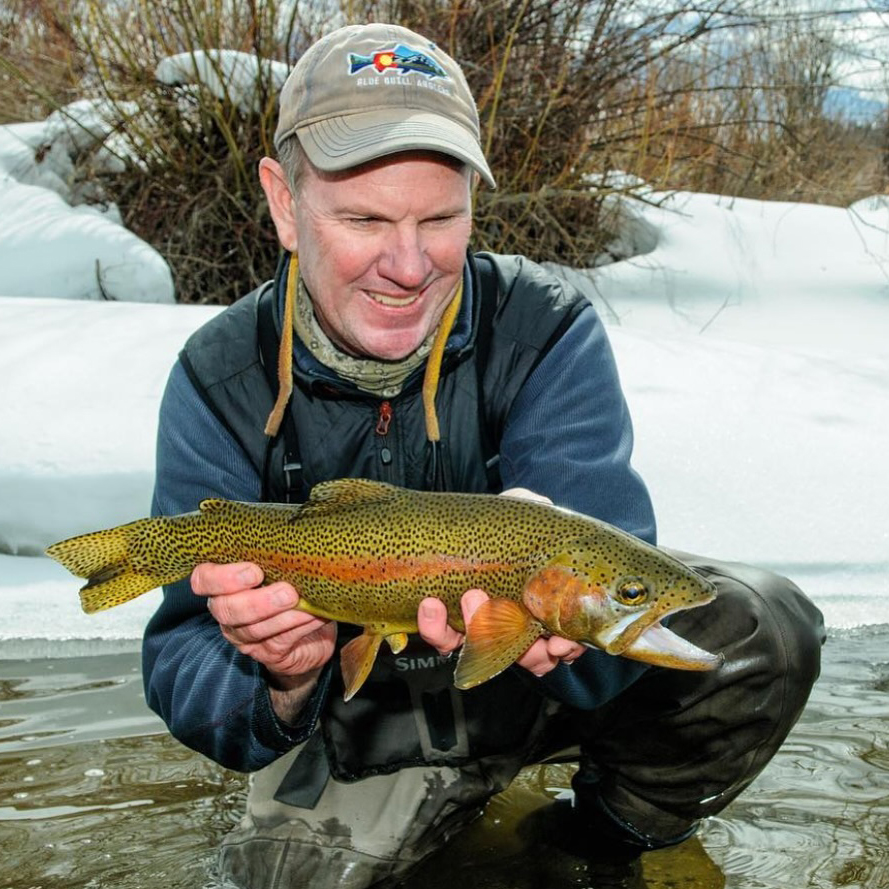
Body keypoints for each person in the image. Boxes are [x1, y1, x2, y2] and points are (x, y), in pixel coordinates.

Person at [142, 21, 825, 889]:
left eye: (441, 217)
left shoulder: (540, 328)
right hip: (354, 725)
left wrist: (573, 633)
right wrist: (280, 675)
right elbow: (180, 662)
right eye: (362, 218)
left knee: (760, 629)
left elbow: (613, 562)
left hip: (524, 688)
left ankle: (586, 849)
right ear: (284, 203)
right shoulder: (218, 378)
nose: (407, 262)